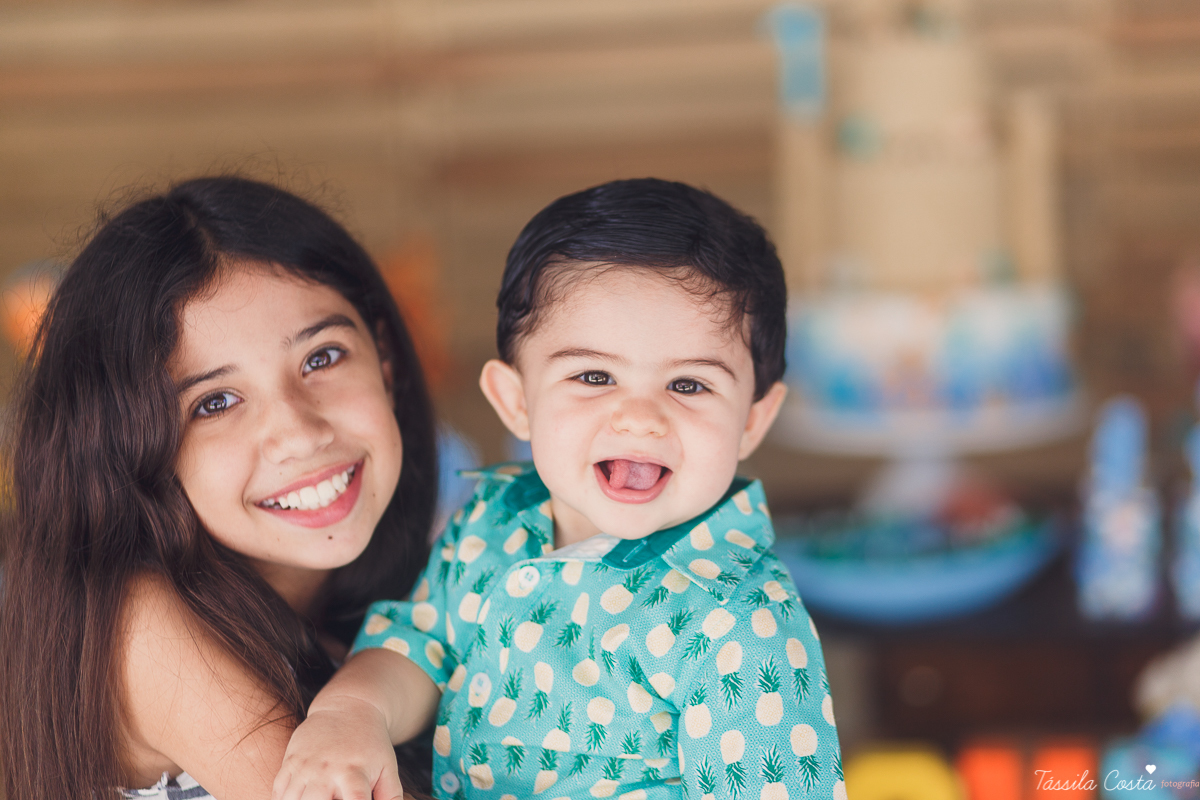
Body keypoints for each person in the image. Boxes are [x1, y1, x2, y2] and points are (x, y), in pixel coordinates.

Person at [277, 178, 846, 800]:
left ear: (753, 421)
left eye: (688, 385)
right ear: (517, 402)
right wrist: (352, 714)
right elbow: (420, 644)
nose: (640, 418)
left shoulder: (741, 622)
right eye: (594, 376)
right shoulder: (490, 520)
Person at [0, 176, 439, 800]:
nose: (298, 435)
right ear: (136, 453)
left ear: (385, 359)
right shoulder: (140, 623)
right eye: (215, 402)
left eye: (321, 358)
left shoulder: (417, 603)